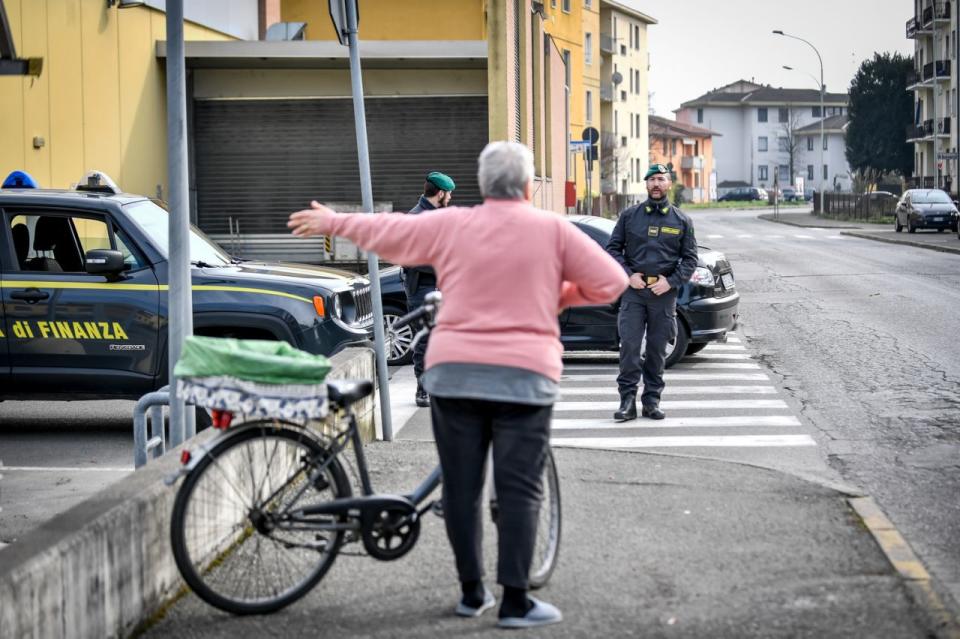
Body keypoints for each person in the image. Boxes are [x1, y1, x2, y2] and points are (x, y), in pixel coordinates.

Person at [288, 141, 627, 629]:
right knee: (519, 490)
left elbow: (392, 232)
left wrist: (335, 221)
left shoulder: (453, 223)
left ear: (484, 186)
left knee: (462, 490)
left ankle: (472, 593)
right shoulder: (553, 229)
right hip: (525, 379)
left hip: (455, 375)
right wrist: (558, 294)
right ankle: (515, 603)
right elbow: (611, 281)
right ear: (529, 185)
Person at [605, 163, 698, 422]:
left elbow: (690, 259)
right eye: (651, 180)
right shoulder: (629, 216)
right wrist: (628, 275)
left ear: (669, 184)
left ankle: (652, 401)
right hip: (634, 292)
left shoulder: (681, 220)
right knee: (630, 348)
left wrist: (671, 282)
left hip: (663, 295)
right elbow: (612, 250)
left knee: (657, 351)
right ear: (645, 185)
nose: (656, 184)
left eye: (661, 179)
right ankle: (626, 402)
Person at [406, 171, 456, 408]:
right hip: (423, 288)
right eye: (449, 194)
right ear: (440, 193)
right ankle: (423, 389)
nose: (451, 198)